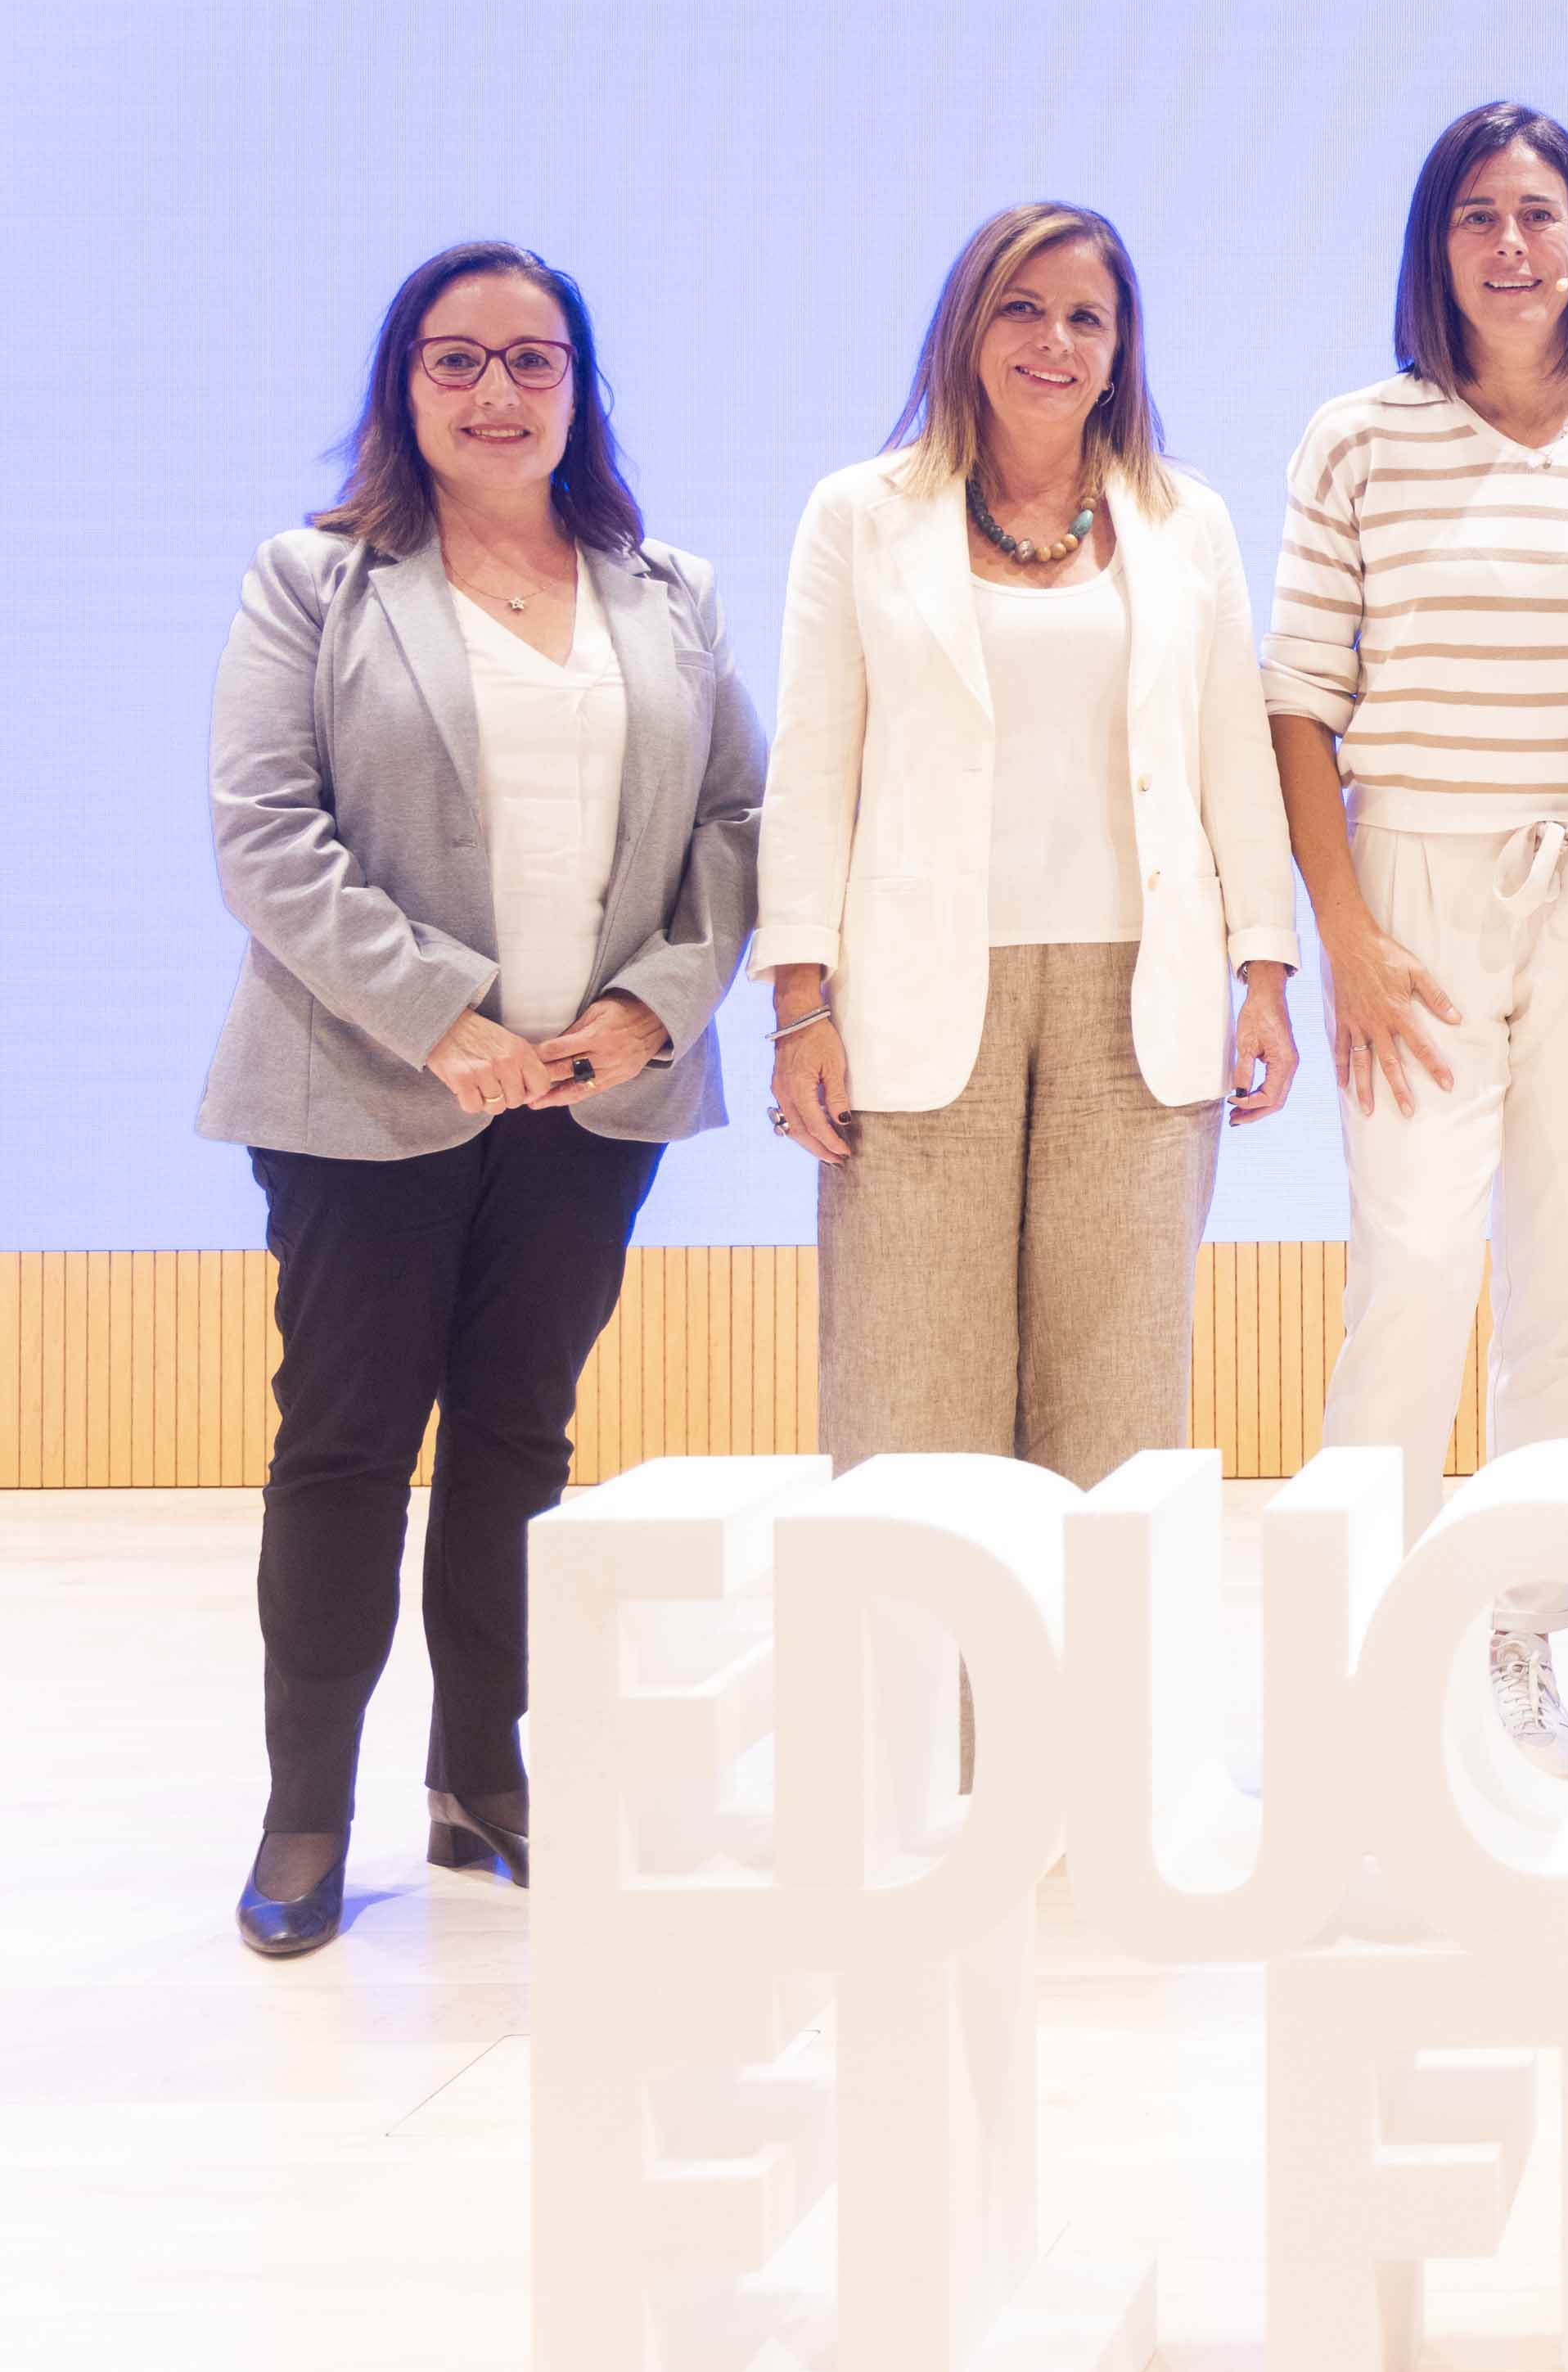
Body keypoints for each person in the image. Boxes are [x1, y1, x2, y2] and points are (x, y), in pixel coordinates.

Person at [201, 242, 764, 1957]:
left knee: (519, 1440)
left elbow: (737, 824)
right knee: (348, 1445)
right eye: (456, 359)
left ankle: (484, 1777)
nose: (497, 391)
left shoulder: (667, 589)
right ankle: (307, 1812)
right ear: (405, 384)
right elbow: (266, 834)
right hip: (365, 1092)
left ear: (579, 387)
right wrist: (441, 1016)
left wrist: (648, 1009)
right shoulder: (315, 582)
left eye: (533, 360)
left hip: (588, 1098)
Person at [1262, 103, 1568, 1776]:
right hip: (1413, 884)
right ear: (1435, 244)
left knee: (1567, 1271)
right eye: (1478, 215)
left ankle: (1522, 1639)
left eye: (1539, 214)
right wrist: (1344, 930)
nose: (1511, 246)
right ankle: (1361, 1646)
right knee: (1411, 1266)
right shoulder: (1358, 439)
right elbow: (1298, 699)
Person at [760, 204, 1300, 1504]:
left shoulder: (1186, 521)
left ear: (1119, 353)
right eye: (1021, 308)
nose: (1052, 341)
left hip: (1140, 1005)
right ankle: (922, 1655)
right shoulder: (860, 513)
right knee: (909, 1401)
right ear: (966, 328)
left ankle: (1093, 1657)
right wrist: (798, 1005)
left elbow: (1236, 760)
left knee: (1116, 1417)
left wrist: (1267, 975)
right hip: (914, 1000)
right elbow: (812, 767)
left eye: (1084, 318)